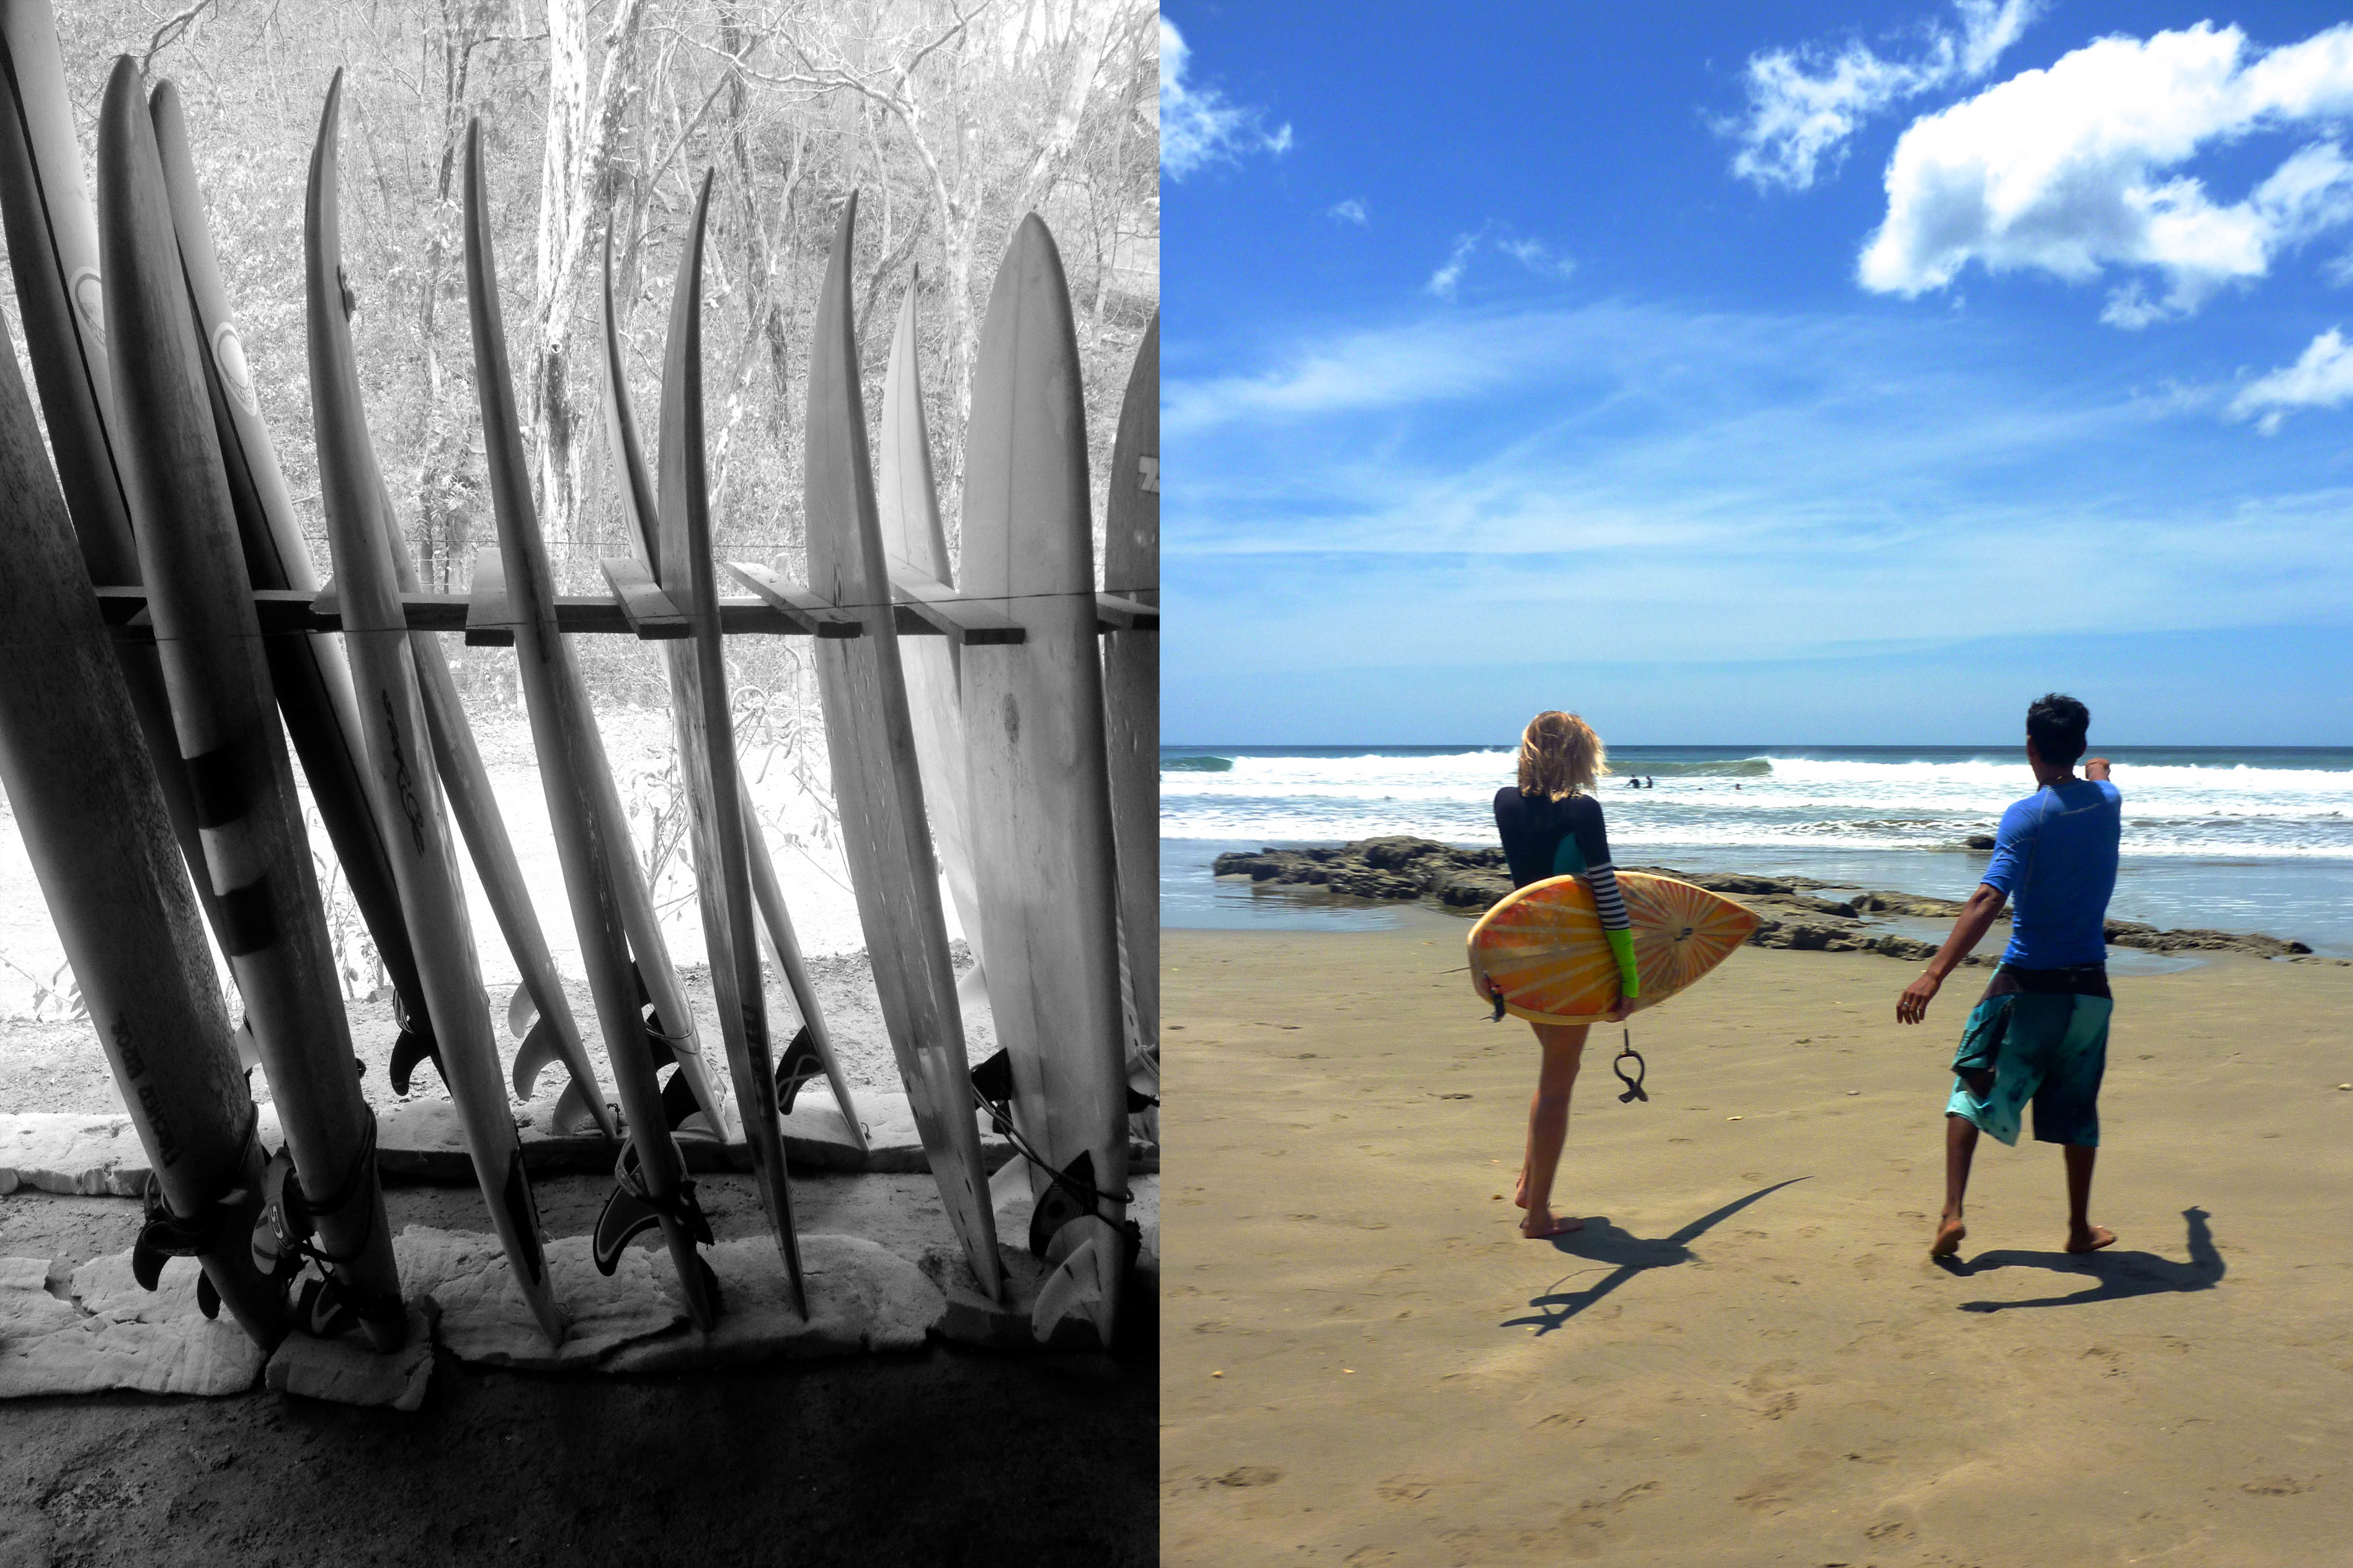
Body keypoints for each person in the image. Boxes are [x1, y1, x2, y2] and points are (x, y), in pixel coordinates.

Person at [1897, 693, 2120, 1260]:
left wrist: (1935, 973)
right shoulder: (2108, 801)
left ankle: (1952, 1214)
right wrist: (2095, 770)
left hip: (2025, 984)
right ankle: (2076, 1228)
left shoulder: (2027, 815)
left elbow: (1987, 897)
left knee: (1970, 1089)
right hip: (2089, 988)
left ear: (2029, 746)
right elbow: (2099, 773)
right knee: (2076, 1107)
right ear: (2083, 747)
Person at [1492, 711, 1638, 1239]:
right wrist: (1630, 977)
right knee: (1558, 1083)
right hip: (1569, 961)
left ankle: (1531, 1186)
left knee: (1557, 1070)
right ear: (1579, 755)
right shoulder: (1583, 811)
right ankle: (1538, 1218)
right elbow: (1608, 898)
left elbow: (1528, 885)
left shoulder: (1505, 802)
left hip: (1521, 957)